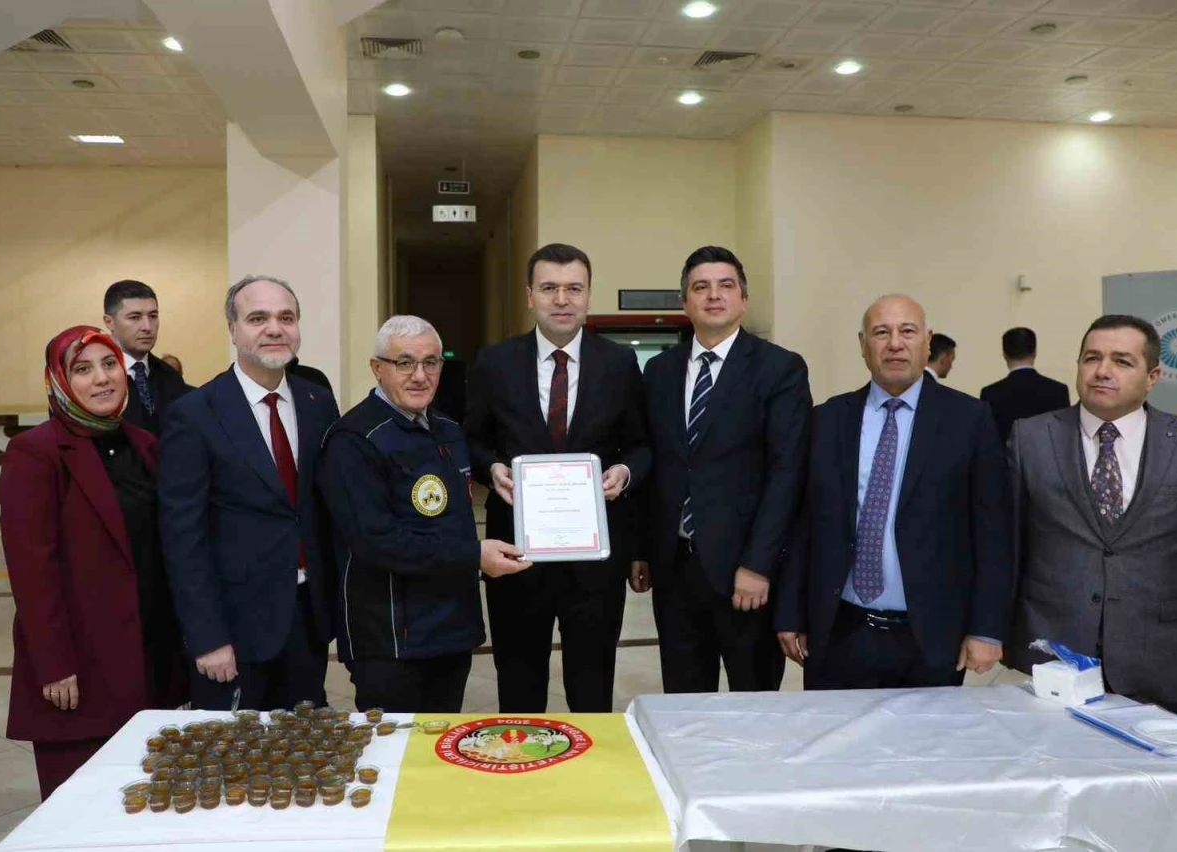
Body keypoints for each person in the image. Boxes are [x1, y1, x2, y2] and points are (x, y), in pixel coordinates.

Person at [1004, 315, 1177, 715]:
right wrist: (995, 634)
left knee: (1149, 757)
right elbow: (1007, 545)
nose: (1102, 371)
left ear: (1153, 377)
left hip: (1161, 654)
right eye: (1091, 358)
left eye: (1122, 361)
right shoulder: (1030, 439)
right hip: (1055, 653)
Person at [775, 295, 1012, 691]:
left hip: (931, 636)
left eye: (907, 331)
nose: (895, 344)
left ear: (927, 341)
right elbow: (804, 524)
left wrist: (986, 628)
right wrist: (790, 612)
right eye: (881, 333)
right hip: (839, 632)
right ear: (863, 345)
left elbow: (993, 532)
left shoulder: (970, 420)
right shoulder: (828, 420)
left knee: (925, 733)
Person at [0, 326, 187, 798]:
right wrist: (53, 664)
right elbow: (32, 571)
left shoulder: (145, 445)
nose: (102, 378)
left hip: (150, 657)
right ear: (59, 382)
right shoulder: (36, 452)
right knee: (81, 804)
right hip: (80, 668)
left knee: (148, 800)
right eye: (83, 369)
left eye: (109, 365)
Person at [464, 243, 651, 713]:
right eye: (549, 288)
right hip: (517, 554)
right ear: (530, 296)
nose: (562, 299)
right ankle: (524, 756)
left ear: (589, 295)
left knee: (592, 685)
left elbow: (642, 445)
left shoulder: (619, 364)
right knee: (519, 681)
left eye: (574, 289)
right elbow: (471, 440)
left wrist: (625, 472)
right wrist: (492, 468)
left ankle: (588, 758)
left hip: (594, 559)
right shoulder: (495, 362)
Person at [320, 316, 529, 712]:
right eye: (404, 363)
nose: (420, 376)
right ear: (377, 368)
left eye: (431, 362)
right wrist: (474, 555)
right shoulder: (355, 440)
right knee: (395, 745)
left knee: (440, 741)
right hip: (390, 639)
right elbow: (376, 542)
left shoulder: (448, 429)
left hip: (451, 631)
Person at [159, 275, 339, 711]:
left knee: (303, 743)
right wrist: (207, 637)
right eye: (258, 318)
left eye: (286, 318)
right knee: (233, 750)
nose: (275, 329)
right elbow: (183, 537)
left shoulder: (318, 403)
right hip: (233, 631)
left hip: (307, 620)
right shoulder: (194, 414)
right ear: (233, 329)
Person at [642, 246, 811, 694]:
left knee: (752, 706)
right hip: (675, 570)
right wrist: (642, 550)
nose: (713, 295)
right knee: (683, 701)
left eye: (726, 286)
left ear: (743, 299)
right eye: (701, 287)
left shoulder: (780, 369)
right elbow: (656, 465)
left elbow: (787, 473)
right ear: (685, 302)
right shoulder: (659, 371)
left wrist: (758, 565)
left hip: (745, 573)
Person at [102, 280, 192, 435]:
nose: (147, 327)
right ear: (109, 322)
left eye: (153, 316)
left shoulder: (170, 376)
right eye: (135, 317)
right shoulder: (97, 379)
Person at [979, 327, 1070, 444]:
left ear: (1004, 354)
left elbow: (988, 440)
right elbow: (1064, 436)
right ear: (1035, 352)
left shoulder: (990, 393)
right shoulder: (1058, 390)